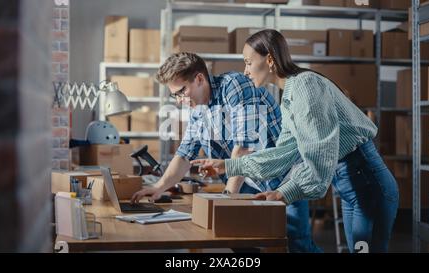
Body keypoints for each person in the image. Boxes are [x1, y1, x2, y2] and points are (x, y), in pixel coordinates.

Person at [192, 29, 399, 253]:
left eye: (249, 62)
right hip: (351, 189)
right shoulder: (290, 96)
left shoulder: (305, 86)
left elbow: (319, 159)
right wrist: (229, 165)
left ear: (269, 59)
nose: (246, 71)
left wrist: (284, 193)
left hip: (367, 184)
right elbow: (283, 155)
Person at [130, 52, 322, 253]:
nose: (179, 100)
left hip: (283, 178)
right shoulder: (198, 110)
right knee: (237, 240)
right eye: (174, 95)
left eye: (181, 91)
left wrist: (227, 198)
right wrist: (159, 187)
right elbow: (186, 154)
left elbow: (244, 148)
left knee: (297, 245)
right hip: (246, 183)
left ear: (199, 79)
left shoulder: (233, 86)